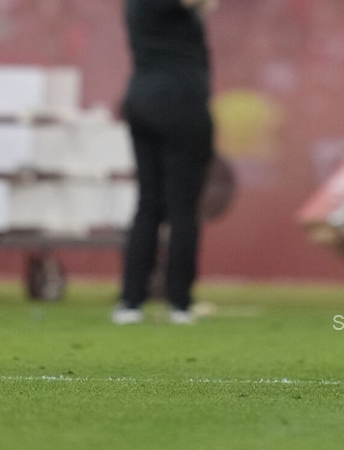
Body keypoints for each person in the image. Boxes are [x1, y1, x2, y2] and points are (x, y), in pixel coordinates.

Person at [112, 0, 218, 325]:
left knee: (148, 204)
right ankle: (179, 303)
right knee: (183, 208)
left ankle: (131, 302)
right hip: (180, 98)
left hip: (141, 97)